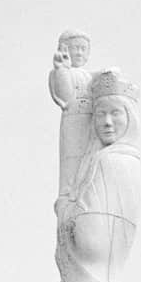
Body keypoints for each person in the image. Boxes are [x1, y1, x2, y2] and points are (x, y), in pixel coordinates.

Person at [52, 70, 141, 282]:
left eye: (115, 114)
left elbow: (91, 242)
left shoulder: (113, 162)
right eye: (100, 114)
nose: (106, 123)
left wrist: (65, 208)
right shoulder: (116, 162)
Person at [48, 30, 94, 208]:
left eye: (83, 49)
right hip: (73, 122)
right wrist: (62, 69)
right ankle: (68, 195)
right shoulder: (60, 72)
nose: (80, 53)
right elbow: (65, 97)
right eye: (75, 48)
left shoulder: (90, 76)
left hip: (90, 124)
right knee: (72, 164)